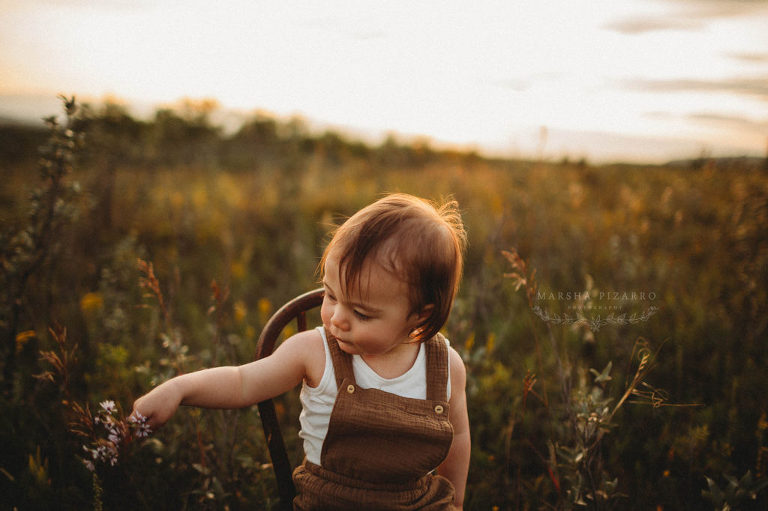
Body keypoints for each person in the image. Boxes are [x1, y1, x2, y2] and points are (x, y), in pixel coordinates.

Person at [132, 193, 471, 510]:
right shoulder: (314, 351)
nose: (337, 319)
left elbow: (458, 436)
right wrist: (178, 389)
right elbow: (242, 381)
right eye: (331, 295)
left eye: (362, 313)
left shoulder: (444, 367)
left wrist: (456, 502)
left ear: (419, 315)